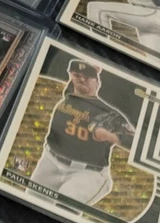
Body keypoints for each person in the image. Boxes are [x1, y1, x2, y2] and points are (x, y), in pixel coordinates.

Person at [31, 60, 135, 206]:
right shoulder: (69, 97)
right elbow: (75, 85)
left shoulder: (109, 113)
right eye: (77, 75)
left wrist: (109, 136)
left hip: (88, 173)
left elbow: (135, 142)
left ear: (97, 83)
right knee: (30, 201)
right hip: (50, 162)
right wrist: (90, 67)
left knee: (65, 205)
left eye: (87, 77)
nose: (82, 79)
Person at [86, 0, 160, 57]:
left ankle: (97, 52)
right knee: (158, 65)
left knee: (97, 8)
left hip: (153, 15)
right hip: (157, 20)